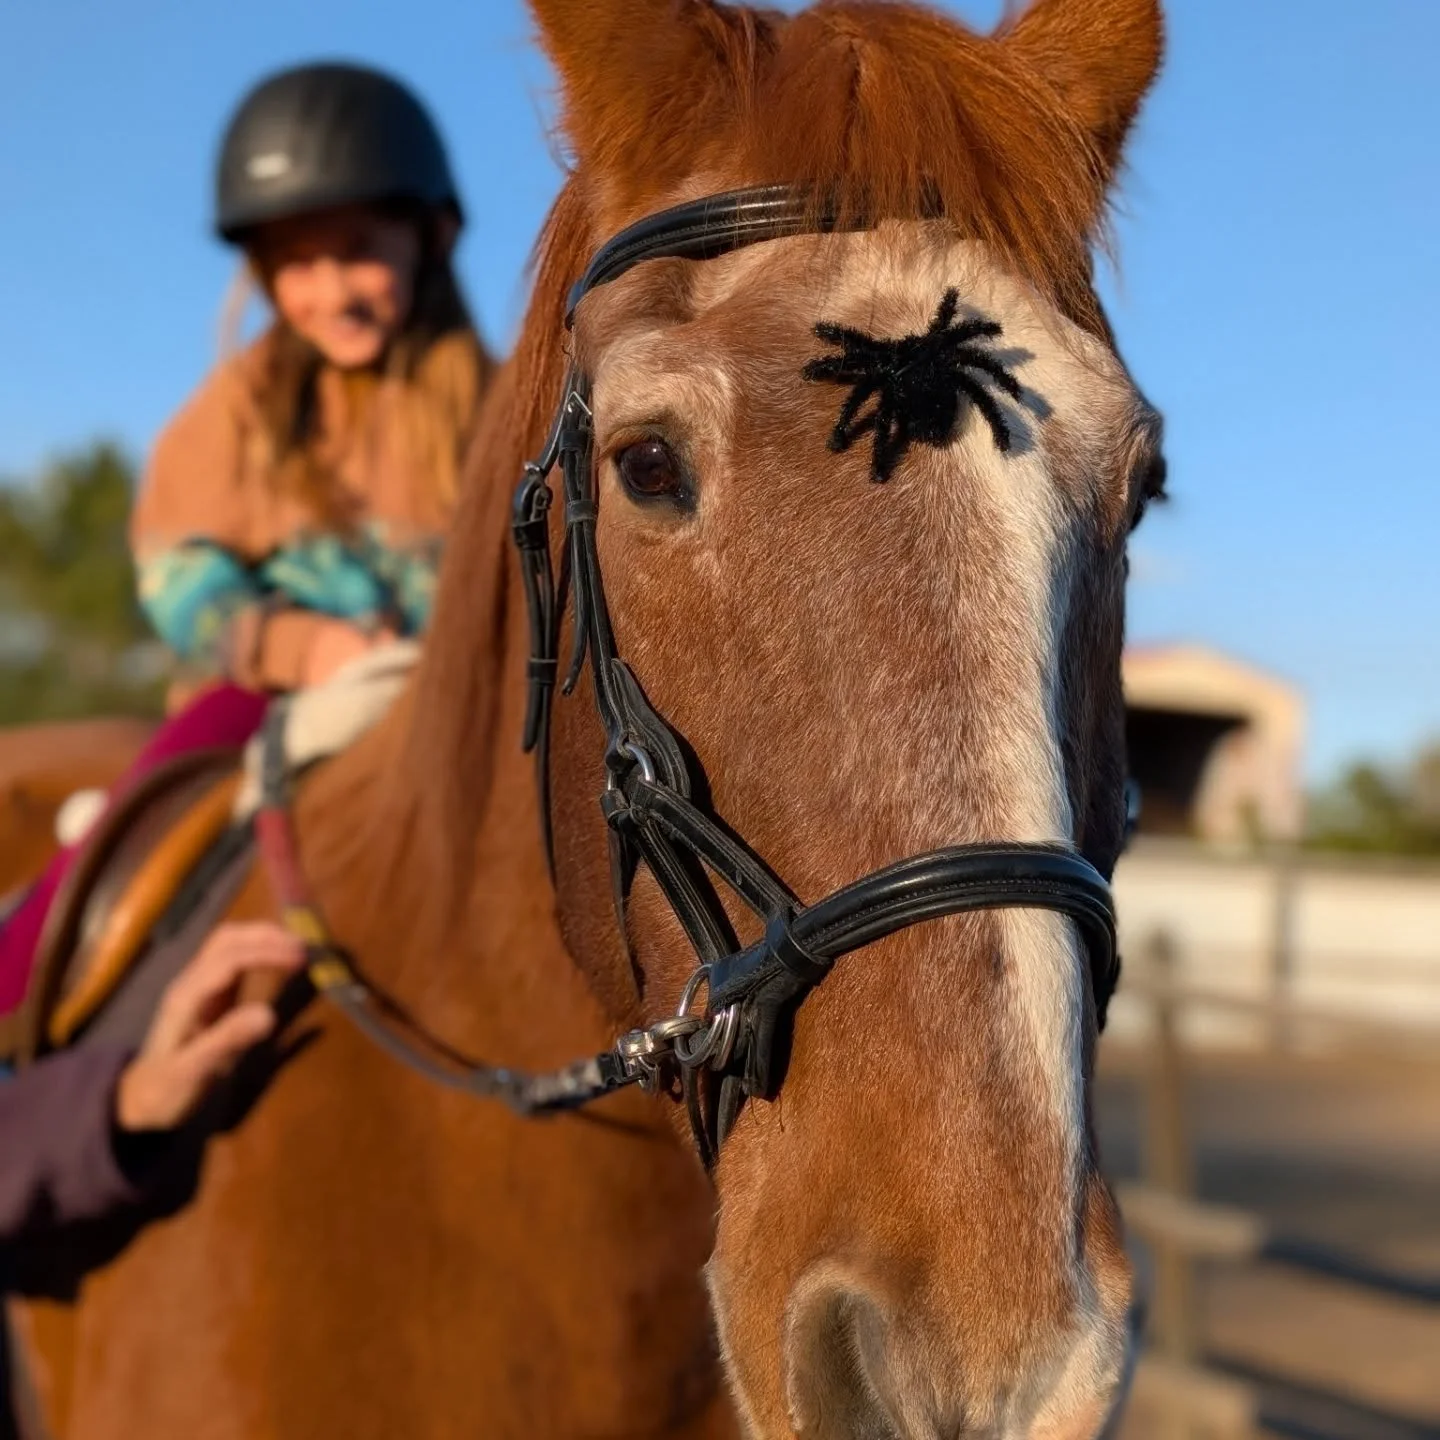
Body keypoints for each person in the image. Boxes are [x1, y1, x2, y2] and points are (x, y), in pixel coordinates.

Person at [0, 62, 491, 1015]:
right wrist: (302, 645)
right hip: (264, 695)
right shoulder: (238, 409)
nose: (331, 290)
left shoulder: (501, 405)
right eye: (297, 264)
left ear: (429, 237)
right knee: (113, 865)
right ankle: (16, 1004)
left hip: (454, 704)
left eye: (357, 250)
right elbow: (181, 573)